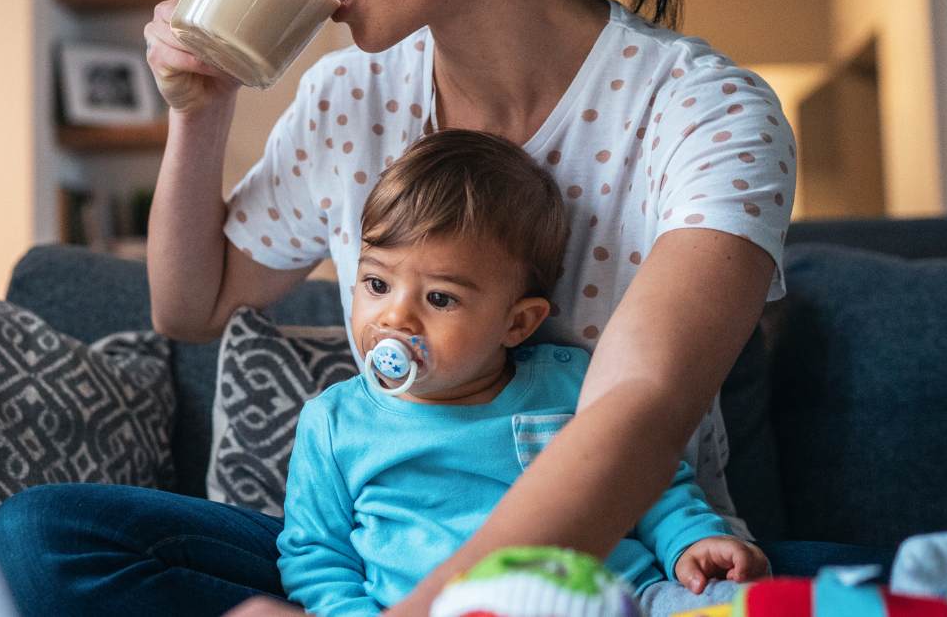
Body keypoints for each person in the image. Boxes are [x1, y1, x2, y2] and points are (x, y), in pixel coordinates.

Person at [0, 0, 921, 614]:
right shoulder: (350, 97)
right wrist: (200, 110)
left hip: (626, 573)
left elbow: (636, 413)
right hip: (382, 571)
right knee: (41, 537)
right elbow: (190, 306)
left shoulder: (704, 113)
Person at [277, 129, 769, 617]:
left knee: (733, 603)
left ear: (517, 322)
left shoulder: (574, 382)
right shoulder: (333, 424)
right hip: (441, 611)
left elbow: (647, 482)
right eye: (377, 283)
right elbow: (318, 560)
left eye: (440, 298)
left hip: (617, 598)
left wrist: (691, 540)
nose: (394, 318)